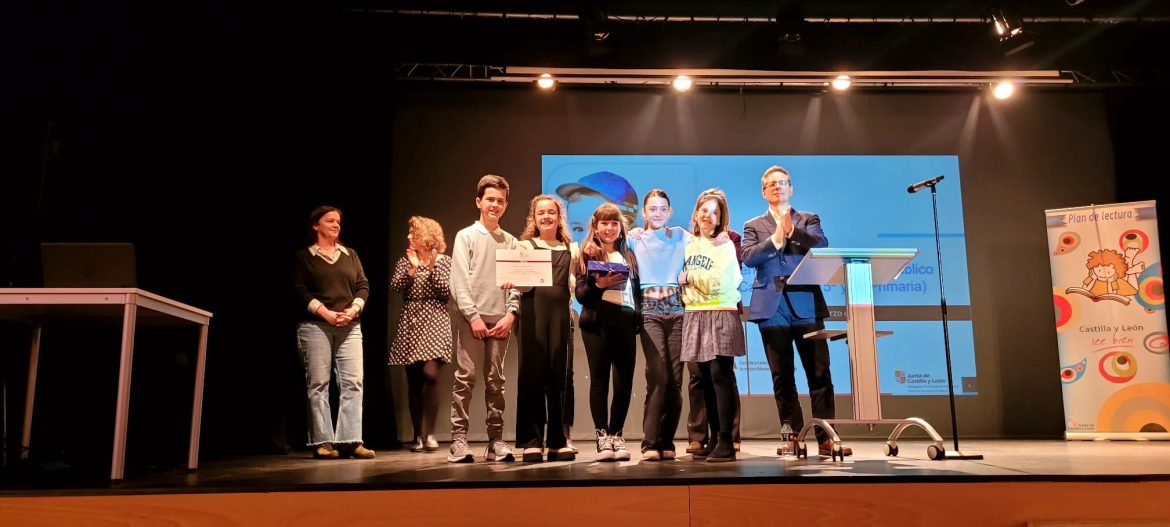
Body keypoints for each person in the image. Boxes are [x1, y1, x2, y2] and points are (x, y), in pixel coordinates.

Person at [742, 165, 850, 457]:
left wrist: (793, 231)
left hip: (806, 305)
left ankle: (827, 436)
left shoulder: (808, 219)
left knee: (819, 372)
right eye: (771, 184)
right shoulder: (753, 225)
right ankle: (791, 436)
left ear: (791, 188)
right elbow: (749, 257)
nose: (777, 187)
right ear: (764, 192)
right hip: (771, 308)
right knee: (782, 376)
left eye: (782, 183)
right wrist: (775, 240)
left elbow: (822, 244)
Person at [448, 174, 522, 463]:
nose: (495, 205)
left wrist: (511, 314)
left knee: (496, 381)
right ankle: (458, 440)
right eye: (490, 199)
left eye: (500, 201)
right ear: (479, 201)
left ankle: (495, 441)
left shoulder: (512, 241)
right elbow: (459, 281)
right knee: (465, 378)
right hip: (472, 321)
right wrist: (473, 317)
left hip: (500, 320)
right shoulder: (466, 236)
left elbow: (516, 283)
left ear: (506, 205)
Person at [292, 205, 375, 460]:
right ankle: (323, 441)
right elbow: (299, 289)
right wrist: (324, 312)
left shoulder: (349, 254)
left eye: (338, 221)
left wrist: (354, 309)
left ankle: (350, 441)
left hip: (349, 325)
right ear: (316, 225)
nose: (336, 225)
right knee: (318, 384)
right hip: (316, 325)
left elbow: (362, 285)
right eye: (330, 221)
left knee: (353, 383)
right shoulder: (304, 257)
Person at [681, 189, 745, 463]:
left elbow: (720, 281)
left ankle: (727, 441)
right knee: (704, 380)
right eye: (704, 210)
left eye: (714, 212)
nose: (708, 215)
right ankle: (712, 438)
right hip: (695, 313)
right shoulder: (689, 244)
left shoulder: (724, 245)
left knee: (720, 378)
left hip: (720, 312)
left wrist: (688, 277)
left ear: (720, 219)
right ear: (696, 214)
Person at [514, 195, 579, 462]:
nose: (546, 217)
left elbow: (573, 286)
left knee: (558, 378)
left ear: (558, 216)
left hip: (560, 319)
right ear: (534, 217)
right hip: (532, 318)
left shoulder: (570, 249)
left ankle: (557, 440)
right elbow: (519, 285)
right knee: (532, 377)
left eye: (551, 212)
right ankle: (531, 441)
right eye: (541, 213)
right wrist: (511, 282)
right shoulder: (524, 246)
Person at [575, 203, 641, 462]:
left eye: (614, 223)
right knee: (600, 380)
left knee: (624, 381)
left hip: (625, 318)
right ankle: (602, 436)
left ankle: (617, 434)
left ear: (621, 227)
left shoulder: (629, 254)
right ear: (595, 226)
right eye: (604, 223)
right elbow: (581, 295)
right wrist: (599, 285)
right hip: (598, 321)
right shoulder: (588, 253)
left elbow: (637, 292)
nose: (609, 228)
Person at [627, 189, 688, 461]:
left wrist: (725, 235)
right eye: (653, 209)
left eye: (663, 209)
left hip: (678, 310)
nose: (658, 214)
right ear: (644, 212)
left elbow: (711, 240)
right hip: (650, 311)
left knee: (675, 379)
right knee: (658, 375)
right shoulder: (633, 238)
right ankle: (649, 442)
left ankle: (667, 442)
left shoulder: (682, 236)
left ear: (670, 211)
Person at [389, 216, 452, 453]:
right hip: (411, 321)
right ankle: (417, 436)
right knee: (414, 381)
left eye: (412, 233)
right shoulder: (405, 262)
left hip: (435, 319)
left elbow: (445, 292)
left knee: (431, 375)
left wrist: (432, 267)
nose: (408, 237)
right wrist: (413, 269)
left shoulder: (444, 261)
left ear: (425, 236)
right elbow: (396, 287)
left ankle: (431, 433)